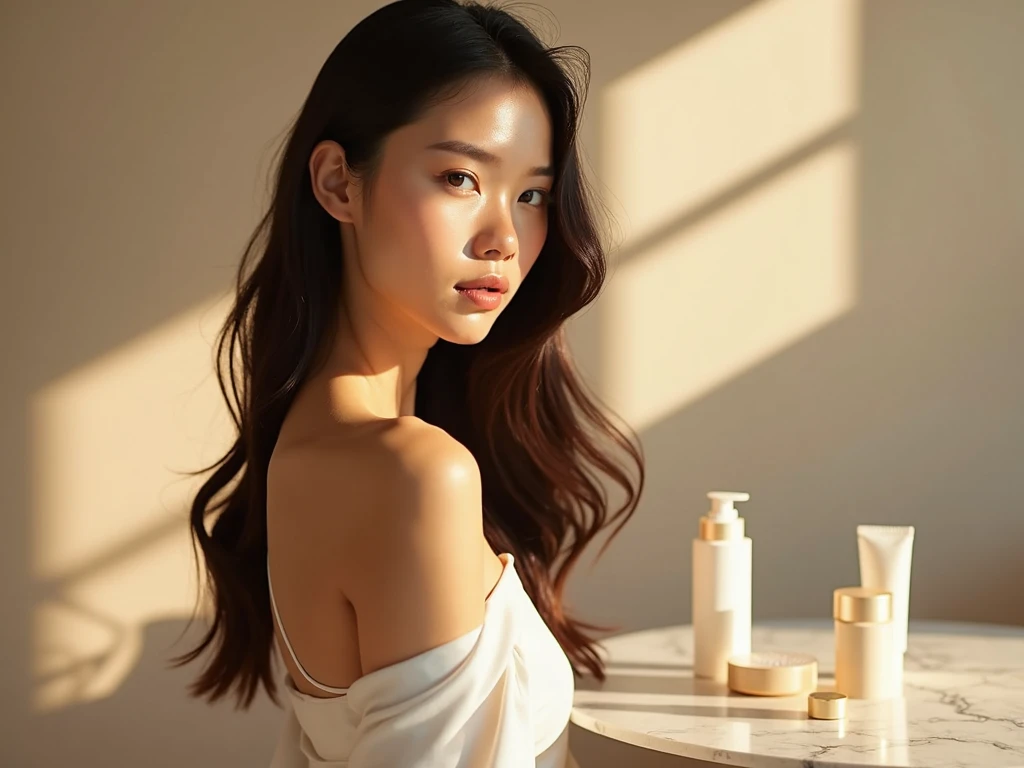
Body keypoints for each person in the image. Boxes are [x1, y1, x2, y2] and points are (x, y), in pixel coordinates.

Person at [173, 1, 645, 765]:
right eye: (460, 177)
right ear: (338, 184)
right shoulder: (412, 474)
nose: (503, 240)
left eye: (531, 195)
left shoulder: (318, 448)